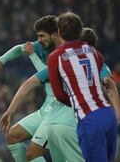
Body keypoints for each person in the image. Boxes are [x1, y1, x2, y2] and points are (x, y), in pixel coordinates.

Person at [0, 27, 119, 162]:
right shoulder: (97, 62)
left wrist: (10, 110)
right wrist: (118, 114)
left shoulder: (62, 60)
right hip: (81, 115)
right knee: (17, 140)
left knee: (34, 153)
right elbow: (109, 83)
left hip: (65, 115)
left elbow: (30, 82)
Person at [48, 12, 117, 161]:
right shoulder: (94, 51)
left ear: (59, 33)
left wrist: (77, 102)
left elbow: (59, 95)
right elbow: (101, 78)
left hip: (89, 119)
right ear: (80, 31)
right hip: (108, 114)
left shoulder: (55, 57)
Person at [0, 15, 58, 162]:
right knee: (12, 136)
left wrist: (32, 55)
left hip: (59, 113)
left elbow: (50, 76)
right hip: (45, 110)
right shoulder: (42, 46)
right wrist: (1, 59)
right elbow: (20, 48)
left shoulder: (62, 53)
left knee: (34, 153)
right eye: (37, 36)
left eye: (42, 35)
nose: (38, 39)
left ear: (54, 35)